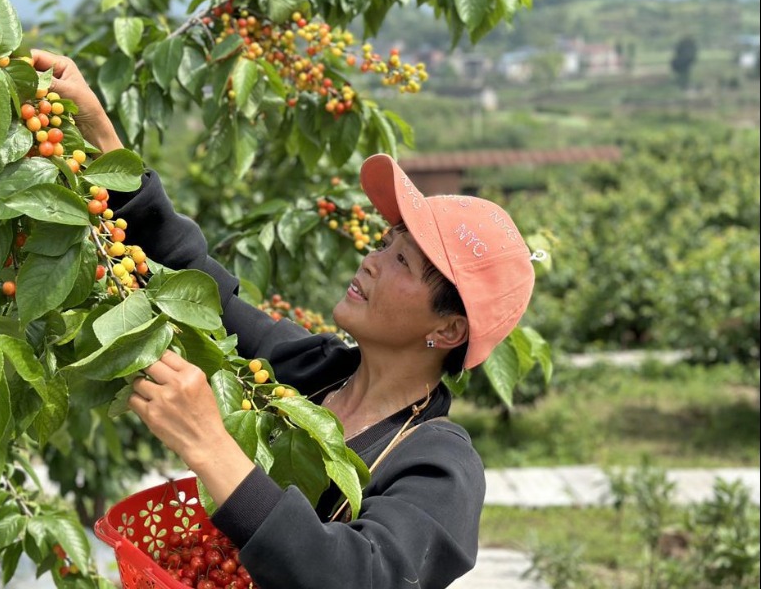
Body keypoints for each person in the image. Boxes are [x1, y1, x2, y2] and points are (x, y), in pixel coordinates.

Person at [31, 50, 538, 589]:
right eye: (386, 242)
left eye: (402, 261)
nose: (371, 259)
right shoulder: (312, 375)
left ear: (448, 329)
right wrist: (105, 142)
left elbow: (359, 576)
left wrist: (211, 446)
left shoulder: (440, 467)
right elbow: (201, 293)